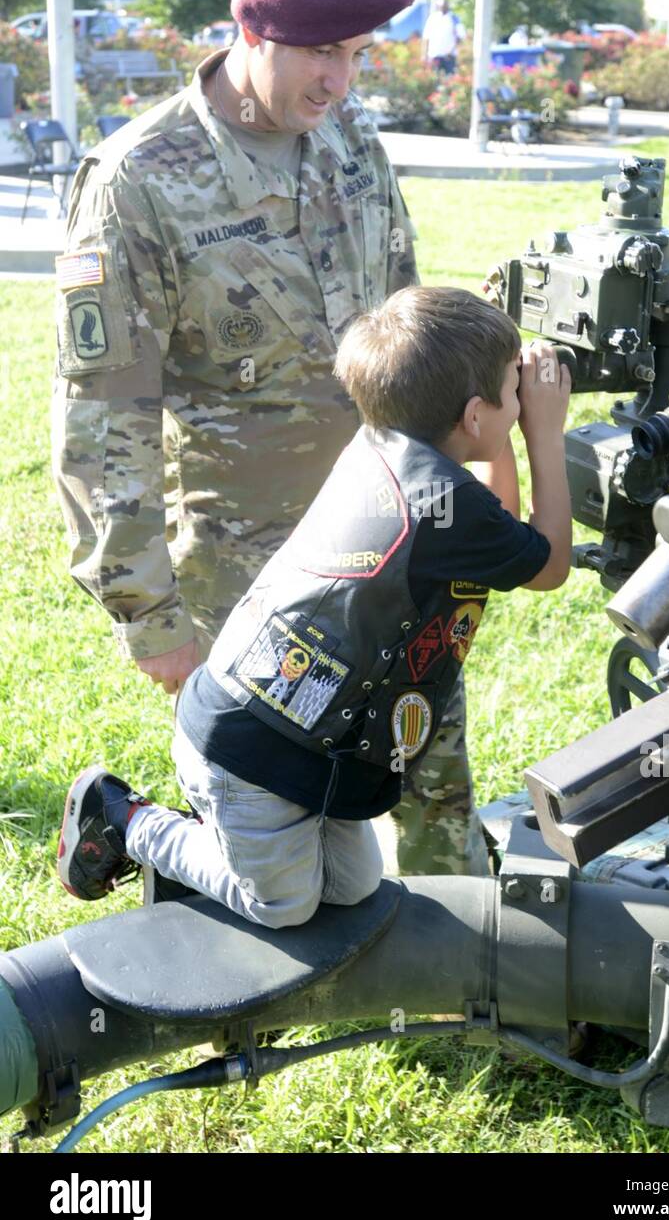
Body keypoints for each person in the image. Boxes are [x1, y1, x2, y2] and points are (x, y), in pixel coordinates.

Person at [51, 0, 492, 880]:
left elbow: (406, 315)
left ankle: (465, 946)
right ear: (251, 33)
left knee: (424, 740)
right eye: (322, 54)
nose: (341, 82)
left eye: (357, 55)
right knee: (267, 800)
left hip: (386, 516)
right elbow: (102, 413)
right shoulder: (139, 181)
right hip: (245, 551)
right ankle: (155, 858)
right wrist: (148, 613)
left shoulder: (351, 140)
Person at [57, 287, 572, 925]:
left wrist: (512, 419)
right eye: (513, 391)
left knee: (354, 889)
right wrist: (545, 434)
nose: (524, 403)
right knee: (282, 906)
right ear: (473, 416)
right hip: (245, 752)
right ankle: (125, 821)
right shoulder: (446, 505)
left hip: (299, 742)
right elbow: (548, 565)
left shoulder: (385, 445)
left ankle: (227, 850)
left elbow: (498, 523)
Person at [422, 0, 463, 76]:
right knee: (434, 79)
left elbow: (460, 37)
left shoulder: (454, 18)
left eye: (444, 6)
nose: (442, 8)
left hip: (449, 57)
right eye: (440, 6)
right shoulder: (432, 18)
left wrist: (451, 51)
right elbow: (426, 37)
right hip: (434, 55)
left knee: (449, 80)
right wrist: (424, 54)